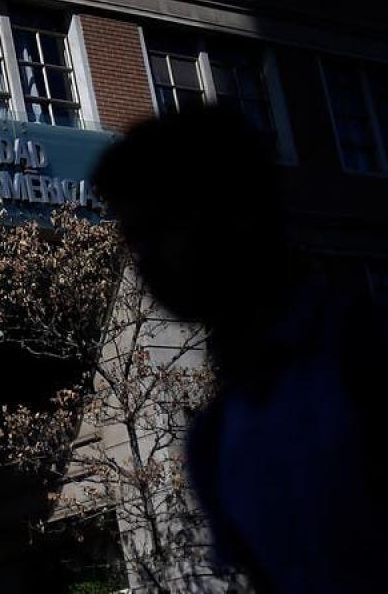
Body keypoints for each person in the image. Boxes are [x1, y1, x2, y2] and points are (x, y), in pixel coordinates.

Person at [92, 107, 386, 593]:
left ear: (235, 213)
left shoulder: (361, 355)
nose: (145, 263)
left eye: (161, 228)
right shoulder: (214, 438)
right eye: (135, 242)